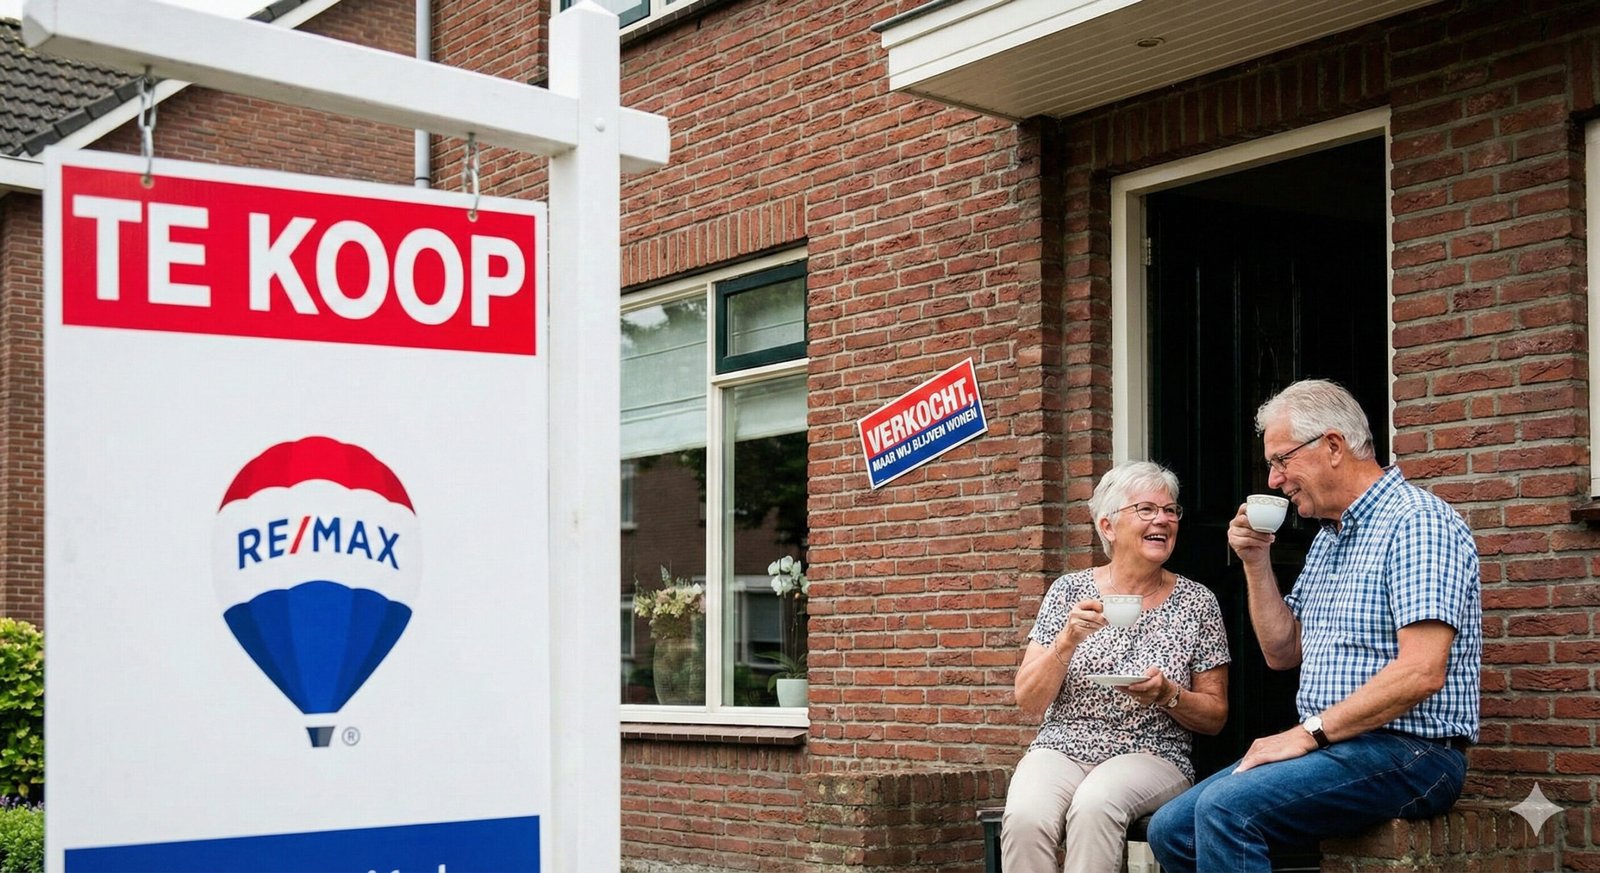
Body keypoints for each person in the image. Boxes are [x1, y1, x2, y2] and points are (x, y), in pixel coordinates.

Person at [1147, 379, 1482, 873]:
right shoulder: (1329, 537)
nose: (1274, 479)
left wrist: (1307, 734)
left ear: (1332, 446)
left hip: (1413, 752)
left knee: (1225, 810)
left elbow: (1422, 671)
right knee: (1170, 828)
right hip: (1339, 747)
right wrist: (1255, 561)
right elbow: (1283, 652)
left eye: (1282, 460)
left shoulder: (1417, 522)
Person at [1002, 460, 1231, 873]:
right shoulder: (1068, 591)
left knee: (1094, 806)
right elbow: (1029, 700)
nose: (1163, 519)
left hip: (1154, 752)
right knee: (1025, 817)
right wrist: (1066, 642)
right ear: (1108, 527)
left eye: (1170, 510)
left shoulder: (1198, 602)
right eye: (1146, 509)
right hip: (1062, 746)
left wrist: (1169, 695)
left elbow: (1215, 716)